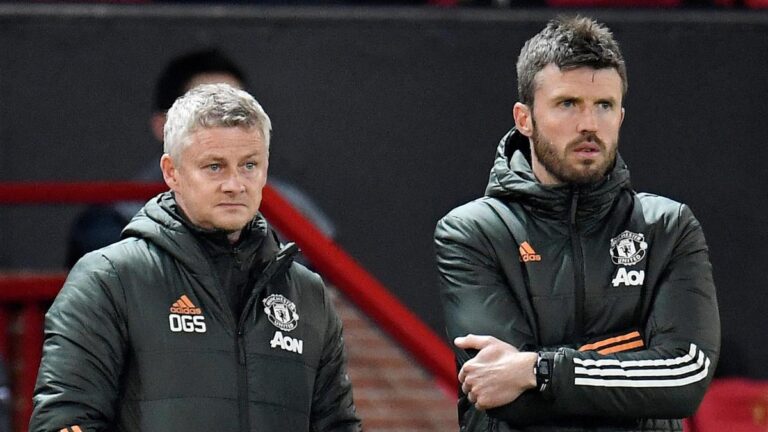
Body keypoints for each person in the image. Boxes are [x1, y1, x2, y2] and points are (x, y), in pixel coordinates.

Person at [434, 16, 720, 431]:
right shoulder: (472, 232)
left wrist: (539, 369)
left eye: (604, 105)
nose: (589, 124)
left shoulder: (668, 227)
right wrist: (636, 352)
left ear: (621, 116)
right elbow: (506, 398)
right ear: (524, 118)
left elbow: (683, 380)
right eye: (568, 104)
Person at [31, 84, 361, 431]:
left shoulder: (308, 294)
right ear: (171, 172)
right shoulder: (108, 279)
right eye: (215, 167)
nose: (235, 184)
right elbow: (64, 421)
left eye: (249, 165)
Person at [65, 48, 336, 268]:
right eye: (205, 113)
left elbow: (330, 301)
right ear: (164, 127)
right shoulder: (112, 222)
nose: (226, 126)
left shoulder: (291, 208)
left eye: (239, 112)